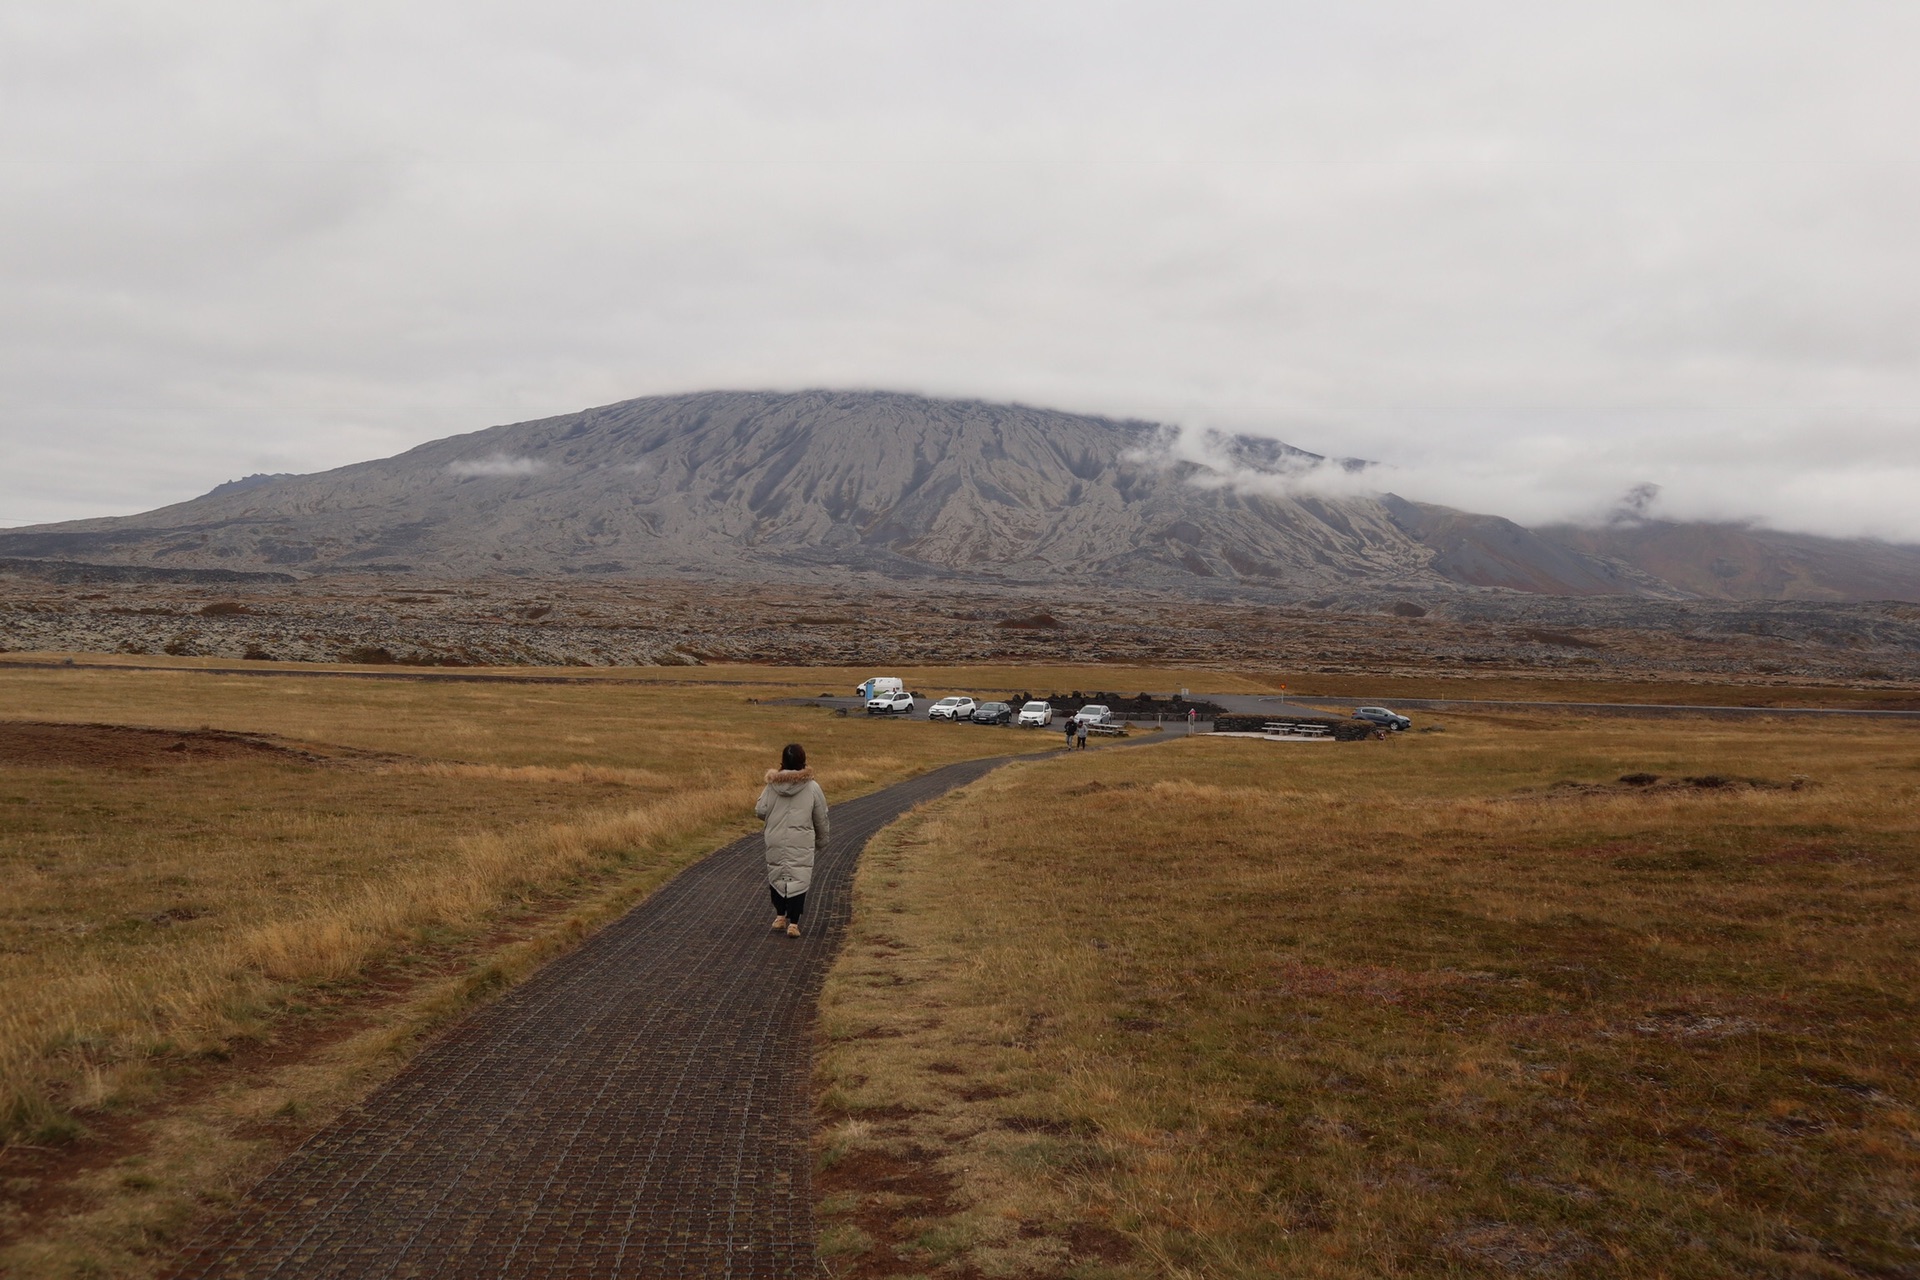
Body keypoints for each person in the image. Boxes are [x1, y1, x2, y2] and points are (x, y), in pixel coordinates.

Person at [756, 742, 829, 938]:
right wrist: (822, 840)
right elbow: (820, 817)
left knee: (777, 873)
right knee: (799, 878)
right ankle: (794, 924)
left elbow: (760, 811)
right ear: (802, 761)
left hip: (776, 838)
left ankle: (780, 916)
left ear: (783, 761)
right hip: (801, 840)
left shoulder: (771, 786)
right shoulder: (813, 787)